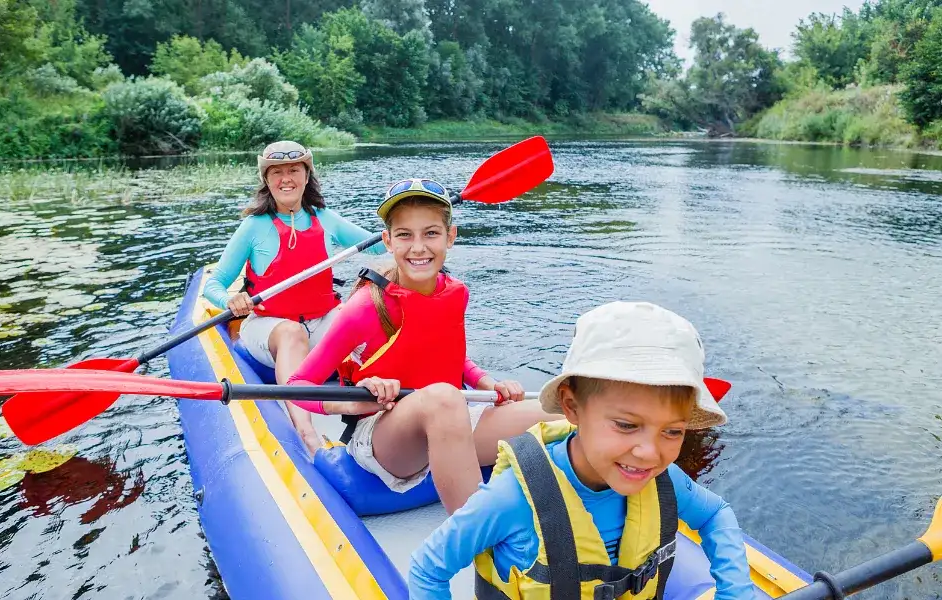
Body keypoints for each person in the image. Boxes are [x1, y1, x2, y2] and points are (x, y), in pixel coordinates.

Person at [408, 301, 754, 600]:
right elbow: (427, 569)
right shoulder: (511, 498)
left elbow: (715, 514)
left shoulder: (663, 481)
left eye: (673, 431)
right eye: (627, 425)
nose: (649, 453)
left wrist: (735, 591)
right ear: (572, 408)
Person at [286, 178, 556, 513]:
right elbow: (297, 386)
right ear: (388, 241)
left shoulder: (455, 291)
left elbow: (447, 353)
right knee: (443, 397)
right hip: (385, 436)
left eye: (430, 233)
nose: (418, 247)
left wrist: (485, 382)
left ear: (450, 237)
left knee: (560, 412)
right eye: (404, 235)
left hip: (451, 415)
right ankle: (481, 547)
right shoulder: (365, 307)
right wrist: (351, 405)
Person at [203, 141, 385, 454]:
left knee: (365, 321)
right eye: (277, 172)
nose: (286, 178)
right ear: (267, 180)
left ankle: (383, 411)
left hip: (322, 320)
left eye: (293, 170)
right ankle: (307, 435)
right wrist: (230, 302)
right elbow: (215, 284)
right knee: (292, 333)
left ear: (306, 176)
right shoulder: (253, 226)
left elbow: (380, 246)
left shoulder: (325, 218)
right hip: (270, 327)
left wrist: (404, 230)